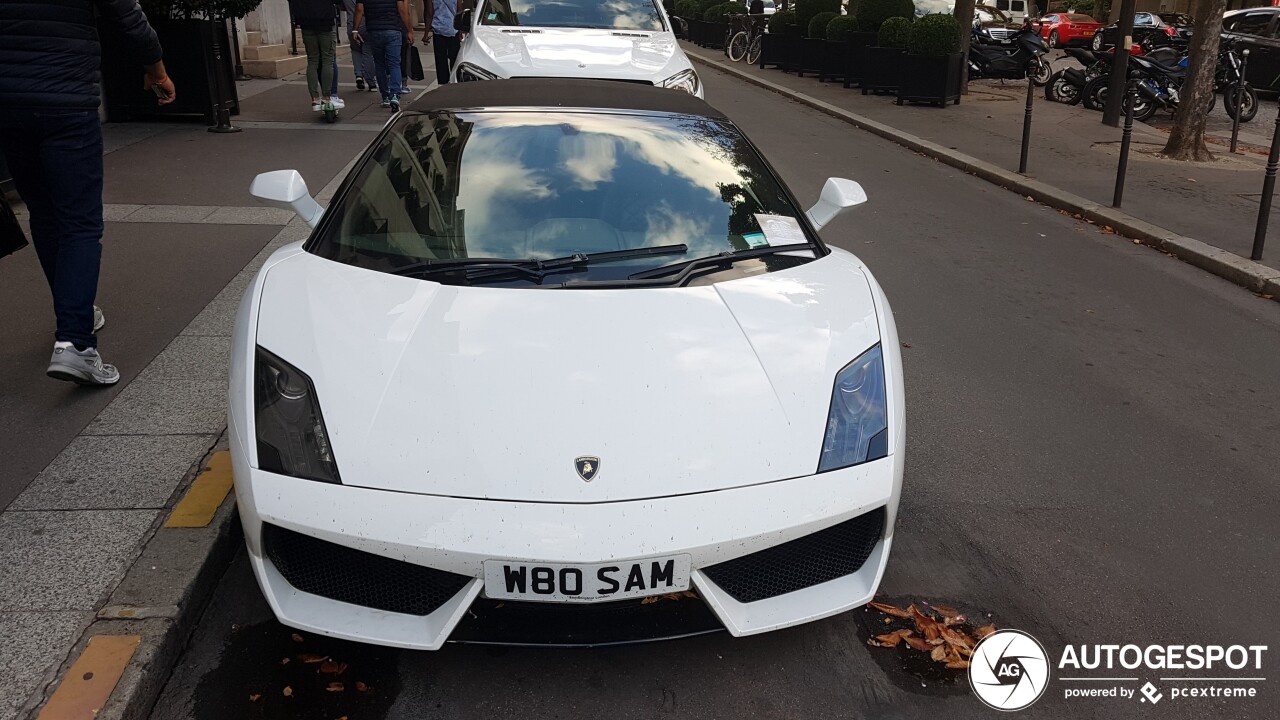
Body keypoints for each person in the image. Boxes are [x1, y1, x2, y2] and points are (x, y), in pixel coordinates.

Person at [0, 0, 174, 386]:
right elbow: (128, 18)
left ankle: (76, 313)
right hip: (66, 102)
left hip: (9, 102)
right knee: (79, 224)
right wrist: (156, 70)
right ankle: (76, 343)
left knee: (44, 215)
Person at [353, 0, 415, 111]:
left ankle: (385, 97)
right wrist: (409, 30)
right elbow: (402, 9)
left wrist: (355, 29)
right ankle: (395, 95)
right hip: (393, 29)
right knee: (394, 64)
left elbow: (359, 9)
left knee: (379, 64)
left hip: (374, 30)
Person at [289, 0, 345, 111]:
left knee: (312, 60)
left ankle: (315, 98)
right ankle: (327, 96)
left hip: (305, 21)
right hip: (325, 21)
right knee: (327, 60)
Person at [341, 0, 378, 92]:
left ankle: (359, 75)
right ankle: (371, 82)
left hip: (351, 25)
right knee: (368, 53)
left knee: (355, 50)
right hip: (365, 24)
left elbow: (341, 7)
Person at [425, 0, 461, 86]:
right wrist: (461, 30)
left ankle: (442, 84)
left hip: (438, 29)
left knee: (440, 59)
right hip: (453, 29)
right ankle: (454, 81)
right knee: (455, 58)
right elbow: (459, 11)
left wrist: (426, 33)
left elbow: (430, 13)